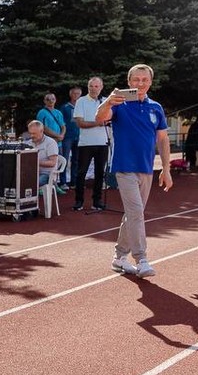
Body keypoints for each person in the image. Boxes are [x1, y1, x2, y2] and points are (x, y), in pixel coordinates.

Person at [96, 65, 173, 278]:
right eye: (136, 80)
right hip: (124, 168)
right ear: (129, 82)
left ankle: (119, 258)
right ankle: (142, 259)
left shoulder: (156, 107)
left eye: (144, 80)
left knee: (133, 215)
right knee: (137, 212)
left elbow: (163, 140)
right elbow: (100, 118)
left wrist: (166, 169)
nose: (140, 83)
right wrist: (109, 100)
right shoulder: (119, 104)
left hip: (146, 169)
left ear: (150, 82)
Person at [71, 77, 109, 210]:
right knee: (81, 173)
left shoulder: (105, 102)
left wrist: (105, 122)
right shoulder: (81, 101)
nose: (93, 89)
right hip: (85, 144)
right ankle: (79, 201)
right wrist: (97, 123)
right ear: (88, 87)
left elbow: (111, 120)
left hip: (103, 143)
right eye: (91, 86)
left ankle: (96, 201)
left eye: (96, 86)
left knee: (100, 173)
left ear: (101, 87)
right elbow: (80, 123)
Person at [36, 93, 67, 192]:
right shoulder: (42, 113)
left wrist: (61, 135)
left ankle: (55, 184)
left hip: (59, 143)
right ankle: (43, 186)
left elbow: (63, 126)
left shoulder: (58, 112)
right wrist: (57, 136)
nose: (51, 101)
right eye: (48, 99)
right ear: (45, 101)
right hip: (48, 143)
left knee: (57, 164)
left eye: (53, 99)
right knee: (48, 164)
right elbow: (43, 128)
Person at [26, 120, 59, 190]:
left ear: (42, 131)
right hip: (33, 173)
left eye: (34, 133)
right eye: (30, 133)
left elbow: (52, 163)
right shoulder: (28, 143)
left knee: (30, 183)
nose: (31, 136)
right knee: (17, 181)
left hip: (47, 174)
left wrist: (35, 162)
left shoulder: (51, 143)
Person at [59, 86, 82, 185]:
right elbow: (61, 122)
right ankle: (63, 182)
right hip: (67, 137)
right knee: (65, 159)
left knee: (76, 160)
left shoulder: (82, 106)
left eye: (78, 93)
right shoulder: (65, 107)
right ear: (70, 94)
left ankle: (74, 181)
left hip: (79, 136)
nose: (76, 95)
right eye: (74, 93)